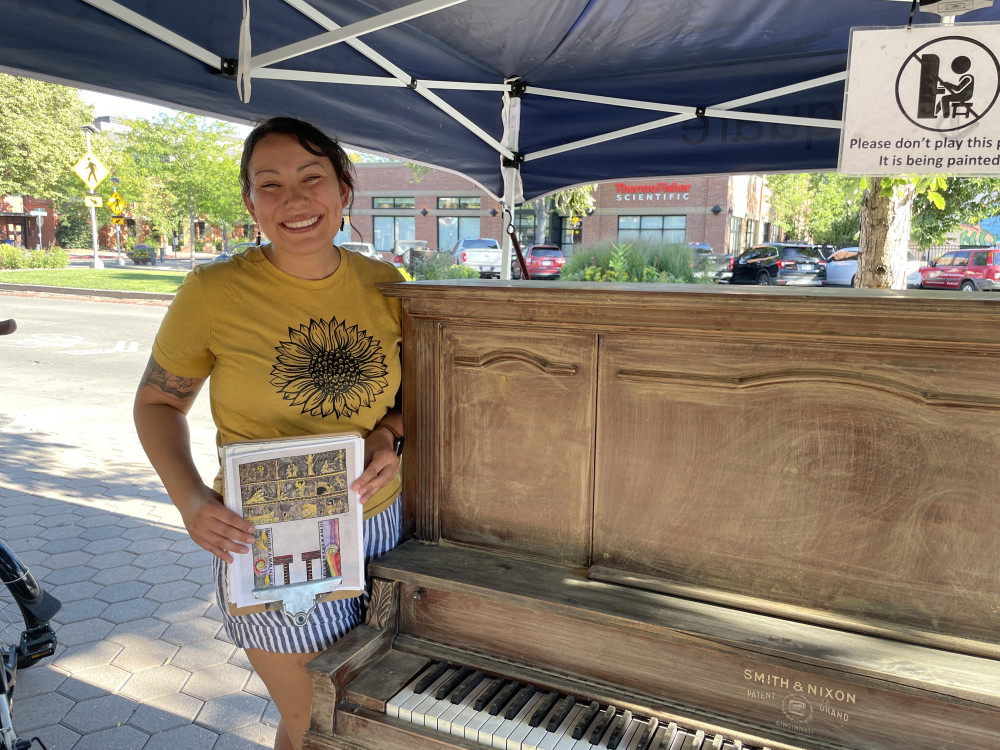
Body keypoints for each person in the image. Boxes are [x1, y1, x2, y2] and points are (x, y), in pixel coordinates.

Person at [133, 117, 405, 750]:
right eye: (270, 184)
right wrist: (191, 500)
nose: (294, 199)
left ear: (344, 191)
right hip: (269, 541)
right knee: (320, 725)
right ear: (250, 203)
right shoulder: (213, 292)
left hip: (385, 527)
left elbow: (416, 400)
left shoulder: (389, 288)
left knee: (342, 721)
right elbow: (156, 404)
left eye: (312, 178)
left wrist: (391, 436)